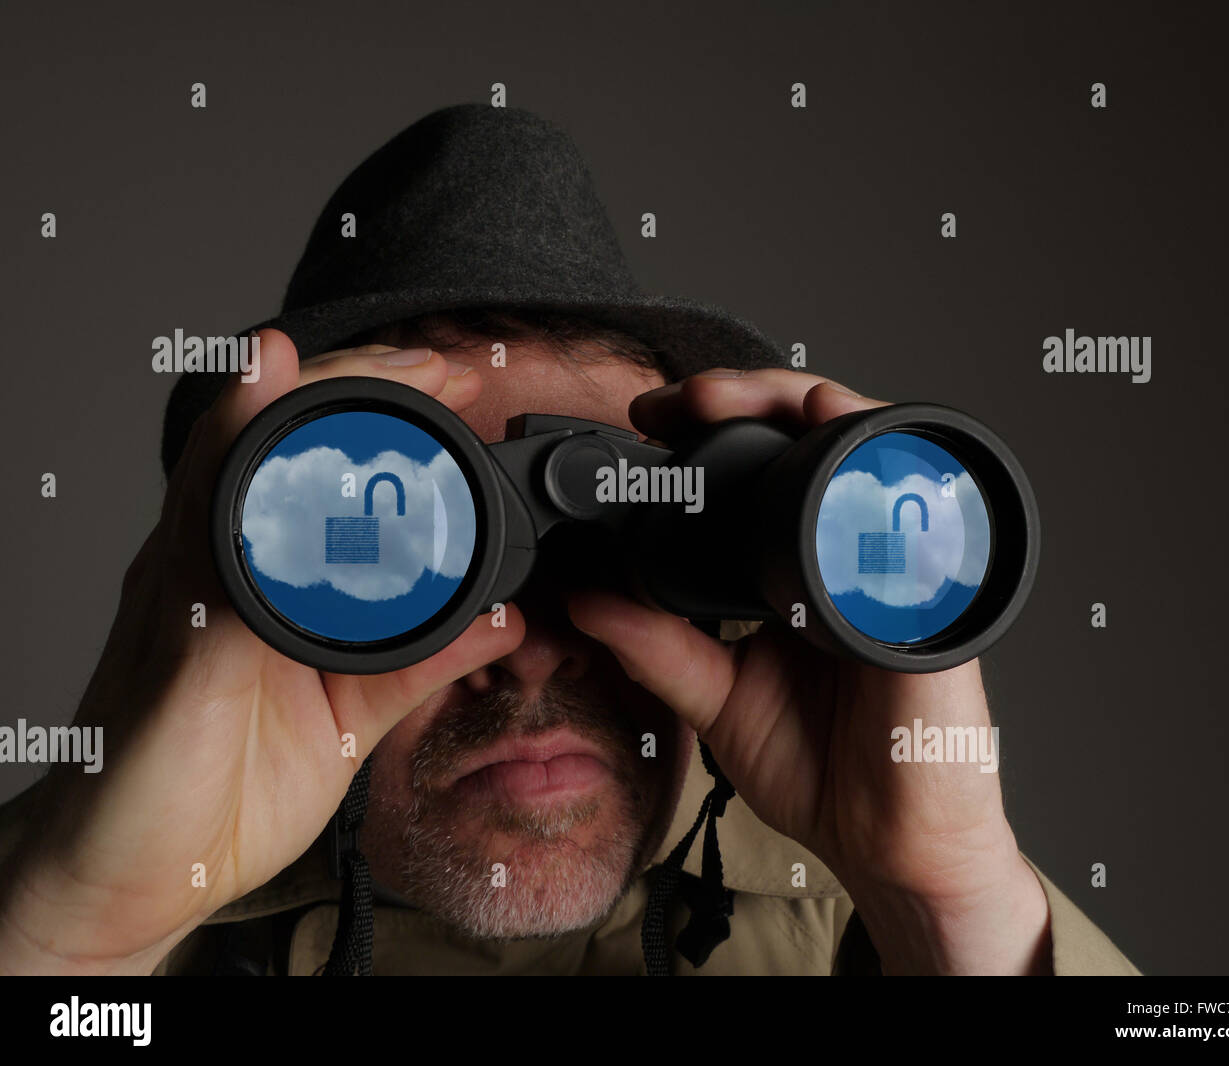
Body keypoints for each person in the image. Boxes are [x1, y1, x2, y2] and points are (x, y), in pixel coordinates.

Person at [0, 104, 1138, 976]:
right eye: (412, 549)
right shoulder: (114, 927)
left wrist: (951, 906)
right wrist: (77, 935)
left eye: (612, 548)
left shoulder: (873, 928)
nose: (529, 647)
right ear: (254, 590)